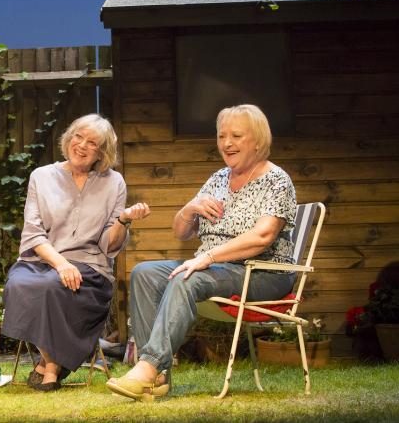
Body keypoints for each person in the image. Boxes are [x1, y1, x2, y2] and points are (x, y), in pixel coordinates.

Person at [106, 104, 297, 401]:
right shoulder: (219, 178)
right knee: (144, 273)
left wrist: (207, 258)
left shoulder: (277, 180)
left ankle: (148, 367)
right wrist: (189, 208)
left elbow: (263, 236)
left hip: (261, 271)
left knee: (188, 276)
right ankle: (156, 375)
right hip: (216, 268)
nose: (227, 144)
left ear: (258, 141)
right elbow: (181, 232)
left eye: (236, 136)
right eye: (222, 136)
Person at [1, 114, 151, 392]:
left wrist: (124, 220)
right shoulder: (42, 176)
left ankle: (49, 368)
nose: (80, 145)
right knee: (21, 284)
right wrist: (60, 263)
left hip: (90, 267)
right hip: (41, 259)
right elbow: (33, 233)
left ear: (102, 152)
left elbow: (109, 245)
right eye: (77, 136)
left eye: (91, 142)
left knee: (51, 287)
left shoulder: (114, 182)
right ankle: (53, 365)